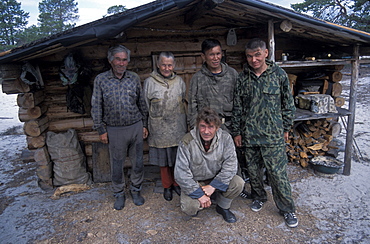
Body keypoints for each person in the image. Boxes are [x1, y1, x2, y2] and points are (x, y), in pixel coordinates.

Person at [231, 38, 298, 228]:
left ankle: (287, 209)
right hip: (250, 135)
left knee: (278, 174)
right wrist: (237, 131)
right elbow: (237, 107)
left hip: (273, 136)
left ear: (266, 53)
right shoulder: (243, 78)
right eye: (250, 56)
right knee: (253, 172)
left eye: (257, 55)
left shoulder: (279, 75)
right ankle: (259, 196)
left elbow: (288, 104)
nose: (254, 60)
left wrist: (285, 127)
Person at [187, 39, 250, 198]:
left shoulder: (232, 75)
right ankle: (210, 190)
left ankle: (232, 191)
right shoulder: (198, 78)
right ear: (203, 56)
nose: (215, 58)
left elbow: (238, 103)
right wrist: (193, 129)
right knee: (209, 160)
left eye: (218, 54)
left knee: (231, 159)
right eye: (211, 55)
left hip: (228, 125)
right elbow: (192, 104)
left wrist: (237, 130)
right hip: (207, 129)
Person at [91, 45, 148, 210]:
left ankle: (136, 191)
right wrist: (101, 129)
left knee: (138, 162)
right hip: (114, 130)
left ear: (128, 61)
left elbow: (141, 103)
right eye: (118, 59)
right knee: (117, 164)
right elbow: (96, 106)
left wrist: (144, 124)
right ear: (110, 61)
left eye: (124, 60)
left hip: (135, 126)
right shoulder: (101, 80)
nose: (121, 63)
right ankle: (119, 193)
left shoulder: (134, 78)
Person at [174, 107, 244, 223]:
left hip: (215, 179)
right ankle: (203, 200)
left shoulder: (226, 139)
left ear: (217, 128)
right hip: (197, 182)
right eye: (203, 126)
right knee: (189, 208)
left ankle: (222, 207)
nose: (206, 131)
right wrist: (199, 194)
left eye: (211, 127)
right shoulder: (187, 141)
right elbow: (181, 173)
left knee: (238, 183)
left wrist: (213, 186)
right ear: (197, 125)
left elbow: (231, 166)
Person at [143, 52, 187, 201]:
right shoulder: (150, 82)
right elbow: (145, 106)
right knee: (163, 162)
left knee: (177, 160)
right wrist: (145, 126)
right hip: (159, 128)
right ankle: (167, 186)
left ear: (173, 65)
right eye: (164, 64)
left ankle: (177, 184)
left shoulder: (180, 81)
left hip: (177, 128)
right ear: (158, 64)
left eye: (169, 65)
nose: (166, 68)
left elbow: (184, 103)